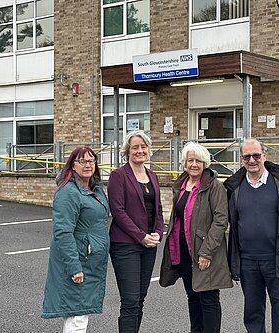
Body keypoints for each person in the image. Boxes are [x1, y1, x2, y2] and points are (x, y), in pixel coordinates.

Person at [223, 138, 279, 333]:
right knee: (252, 312)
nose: (252, 160)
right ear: (241, 159)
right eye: (247, 157)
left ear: (264, 157)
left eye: (256, 156)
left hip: (276, 259)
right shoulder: (234, 188)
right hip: (247, 261)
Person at [159, 141, 233, 333]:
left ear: (205, 163)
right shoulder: (181, 186)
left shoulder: (215, 187)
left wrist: (206, 253)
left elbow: (220, 221)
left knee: (209, 301)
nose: (194, 164)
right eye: (190, 160)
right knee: (193, 298)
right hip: (184, 253)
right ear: (185, 163)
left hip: (205, 254)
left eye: (198, 161)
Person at [42, 146, 109, 333]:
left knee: (76, 313)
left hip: (90, 260)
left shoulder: (96, 187)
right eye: (82, 161)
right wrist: (74, 267)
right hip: (79, 261)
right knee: (77, 315)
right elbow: (62, 232)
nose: (88, 165)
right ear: (73, 165)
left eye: (91, 161)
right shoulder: (68, 192)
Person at [107, 130, 165, 333]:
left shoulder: (153, 176)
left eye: (143, 147)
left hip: (149, 245)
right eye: (135, 147)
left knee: (140, 299)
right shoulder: (118, 176)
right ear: (127, 151)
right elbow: (118, 211)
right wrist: (140, 236)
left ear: (148, 149)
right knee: (130, 301)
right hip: (125, 245)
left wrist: (158, 232)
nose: (140, 151)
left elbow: (157, 209)